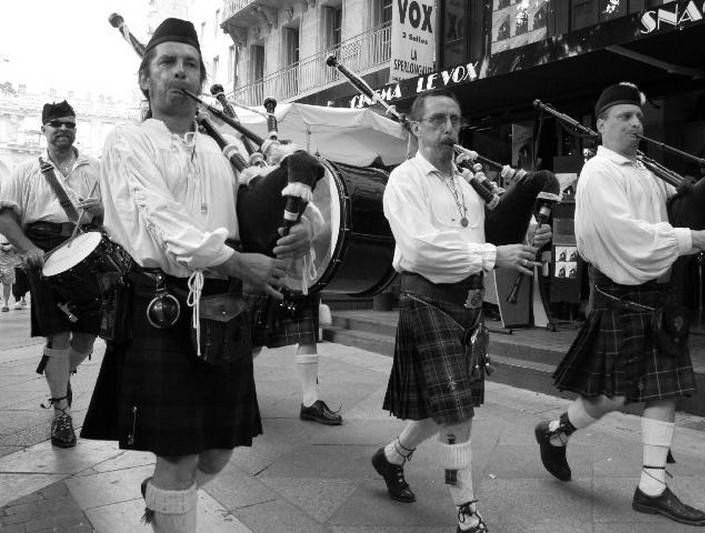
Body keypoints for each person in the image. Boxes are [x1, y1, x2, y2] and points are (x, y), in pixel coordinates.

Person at [79, 18, 317, 533]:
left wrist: (303, 232)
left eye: (190, 63)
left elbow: (264, 207)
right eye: (167, 62)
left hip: (223, 309)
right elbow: (163, 222)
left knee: (218, 453)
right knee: (179, 458)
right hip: (160, 305)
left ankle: (163, 498)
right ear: (145, 80)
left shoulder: (221, 149)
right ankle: (170, 498)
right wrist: (234, 262)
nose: (180, 72)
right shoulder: (127, 141)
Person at [534, 82, 705, 527]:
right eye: (625, 116)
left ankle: (652, 487)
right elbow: (629, 237)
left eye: (639, 117)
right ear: (601, 124)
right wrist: (695, 239)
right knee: (612, 397)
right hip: (621, 296)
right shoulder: (599, 175)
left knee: (662, 390)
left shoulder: (645, 172)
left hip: (657, 299)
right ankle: (555, 431)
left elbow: (670, 221)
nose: (635, 124)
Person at [374, 89, 553, 533]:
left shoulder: (470, 183)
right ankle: (467, 513)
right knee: (458, 412)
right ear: (416, 127)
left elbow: (493, 229)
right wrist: (494, 255)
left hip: (467, 304)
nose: (449, 129)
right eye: (437, 120)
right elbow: (419, 248)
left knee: (445, 406)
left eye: (455, 119)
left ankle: (391, 456)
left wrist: (531, 235)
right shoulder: (404, 180)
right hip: (427, 299)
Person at [0, 100, 102, 448]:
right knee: (57, 336)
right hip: (43, 252)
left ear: (76, 129)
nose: (63, 129)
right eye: (55, 123)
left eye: (69, 124)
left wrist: (102, 208)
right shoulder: (26, 171)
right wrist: (28, 248)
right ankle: (61, 412)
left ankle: (61, 374)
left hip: (86, 248)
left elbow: (118, 211)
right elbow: (4, 216)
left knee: (88, 335)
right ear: (43, 129)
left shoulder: (93, 167)